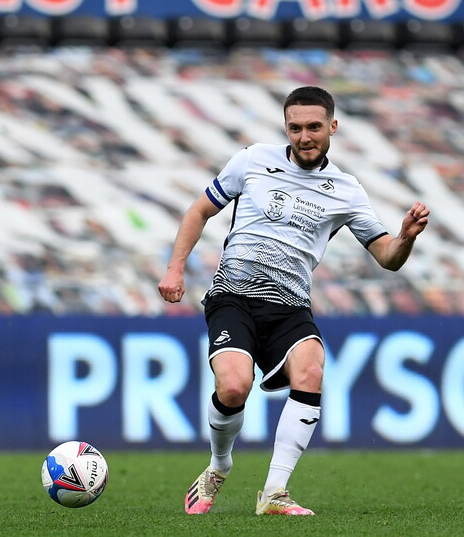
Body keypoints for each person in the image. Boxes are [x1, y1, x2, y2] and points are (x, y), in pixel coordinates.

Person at [157, 86, 429, 515]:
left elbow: (387, 258)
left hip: (290, 306)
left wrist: (405, 239)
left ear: (333, 127)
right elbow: (199, 211)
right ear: (286, 127)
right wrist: (175, 268)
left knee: (312, 367)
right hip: (233, 295)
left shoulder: (346, 189)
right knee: (233, 385)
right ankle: (218, 466)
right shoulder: (252, 160)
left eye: (314, 127)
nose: (304, 136)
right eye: (296, 127)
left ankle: (274, 493)